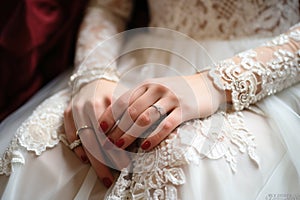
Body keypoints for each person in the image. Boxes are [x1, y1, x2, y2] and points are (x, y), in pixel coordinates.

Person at [0, 0, 299, 199]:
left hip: (264, 65)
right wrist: (94, 74)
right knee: (43, 149)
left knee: (179, 162)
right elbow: (108, 7)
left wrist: (215, 84)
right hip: (143, 56)